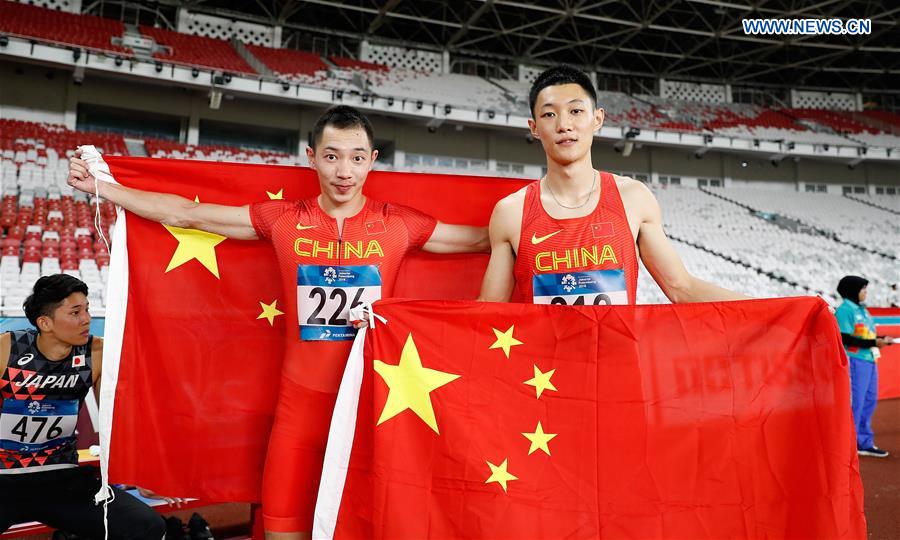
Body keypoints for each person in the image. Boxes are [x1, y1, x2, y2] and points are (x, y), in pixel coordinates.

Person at [67, 105, 489, 539]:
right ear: (312, 157)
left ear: (372, 160)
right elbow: (185, 214)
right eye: (332, 156)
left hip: (368, 410)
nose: (344, 171)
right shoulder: (284, 219)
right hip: (299, 413)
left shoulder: (397, 224)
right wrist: (102, 187)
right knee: (282, 529)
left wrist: (537, 212)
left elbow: (484, 239)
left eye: (357, 157)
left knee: (365, 529)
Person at [478, 65, 747, 304]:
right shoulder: (511, 212)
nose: (564, 125)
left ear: (597, 119)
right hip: (543, 349)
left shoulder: (634, 198)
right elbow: (490, 309)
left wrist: (769, 310)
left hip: (617, 348)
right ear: (534, 127)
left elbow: (681, 289)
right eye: (549, 114)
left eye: (576, 111)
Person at [0, 274, 167, 538]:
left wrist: (143, 475)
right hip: (4, 478)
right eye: (75, 312)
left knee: (147, 526)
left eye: (87, 309)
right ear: (45, 323)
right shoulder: (8, 348)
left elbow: (117, 422)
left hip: (62, 480)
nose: (87, 319)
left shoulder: (97, 353)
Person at [834, 275, 895, 457]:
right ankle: (846, 445)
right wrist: (874, 343)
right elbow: (844, 337)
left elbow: (866, 335)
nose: (865, 292)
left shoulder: (863, 310)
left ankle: (863, 442)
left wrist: (881, 339)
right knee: (856, 403)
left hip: (869, 360)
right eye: (863, 289)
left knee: (869, 401)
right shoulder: (845, 310)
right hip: (855, 361)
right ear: (853, 290)